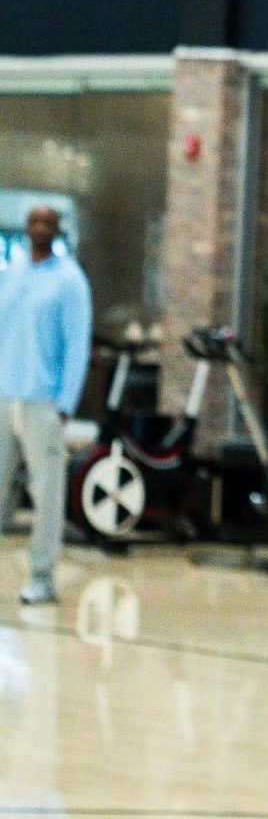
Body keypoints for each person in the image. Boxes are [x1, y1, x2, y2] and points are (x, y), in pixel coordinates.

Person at [0, 204, 92, 606]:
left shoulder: (70, 281)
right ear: (26, 228)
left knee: (46, 492)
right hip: (5, 395)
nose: (40, 228)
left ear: (58, 231)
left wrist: (66, 403)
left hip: (44, 402)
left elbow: (77, 345)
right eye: (34, 222)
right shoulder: (14, 272)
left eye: (48, 224)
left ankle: (42, 577)